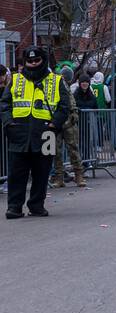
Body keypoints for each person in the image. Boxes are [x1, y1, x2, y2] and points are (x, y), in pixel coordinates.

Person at [2, 47, 72, 218]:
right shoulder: (15, 79)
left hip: (47, 133)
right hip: (19, 132)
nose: (33, 64)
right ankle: (14, 207)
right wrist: (8, 123)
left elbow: (64, 107)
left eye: (37, 61)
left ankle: (36, 205)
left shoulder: (56, 80)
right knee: (16, 173)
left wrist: (54, 125)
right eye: (29, 61)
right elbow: (4, 104)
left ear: (44, 60)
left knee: (42, 172)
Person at [51, 69, 87, 188]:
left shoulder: (60, 83)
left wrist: (74, 113)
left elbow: (70, 100)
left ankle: (78, 175)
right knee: (55, 151)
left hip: (67, 119)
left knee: (73, 148)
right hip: (55, 120)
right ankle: (59, 177)